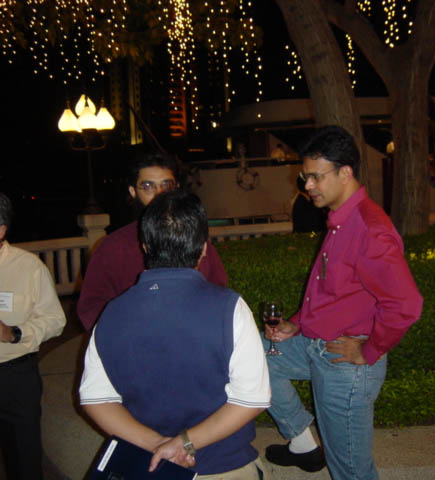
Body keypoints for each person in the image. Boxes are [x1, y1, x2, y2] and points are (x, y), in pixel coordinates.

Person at [263, 126, 423, 479]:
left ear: (345, 173)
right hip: (314, 344)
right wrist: (296, 323)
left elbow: (407, 304)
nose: (307, 185)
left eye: (315, 177)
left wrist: (369, 350)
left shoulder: (369, 229)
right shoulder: (341, 220)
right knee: (256, 355)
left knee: (350, 471)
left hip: (343, 365)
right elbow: (329, 291)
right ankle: (302, 443)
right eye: (305, 177)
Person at [79, 190, 271, 479]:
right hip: (222, 464)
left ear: (145, 247)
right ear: (204, 248)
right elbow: (251, 400)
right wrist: (182, 444)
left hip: (149, 466)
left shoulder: (112, 312)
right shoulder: (229, 308)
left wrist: (157, 445)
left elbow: (96, 399)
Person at [77, 152, 228, 330]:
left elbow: (217, 290)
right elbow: (91, 308)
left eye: (166, 185)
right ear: (133, 191)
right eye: (148, 186)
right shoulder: (112, 247)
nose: (159, 194)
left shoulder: (195, 238)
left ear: (177, 189)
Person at [0, 192, 66, 480]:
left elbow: (55, 321)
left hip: (13, 377)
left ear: (1, 229)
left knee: (23, 459)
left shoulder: (28, 267)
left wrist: (14, 333)